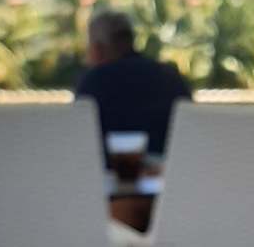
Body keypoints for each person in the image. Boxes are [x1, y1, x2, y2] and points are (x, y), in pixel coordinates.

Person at [74, 9, 190, 158]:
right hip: (170, 170)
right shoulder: (170, 77)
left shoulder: (92, 82)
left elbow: (78, 141)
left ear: (97, 49)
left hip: (108, 171)